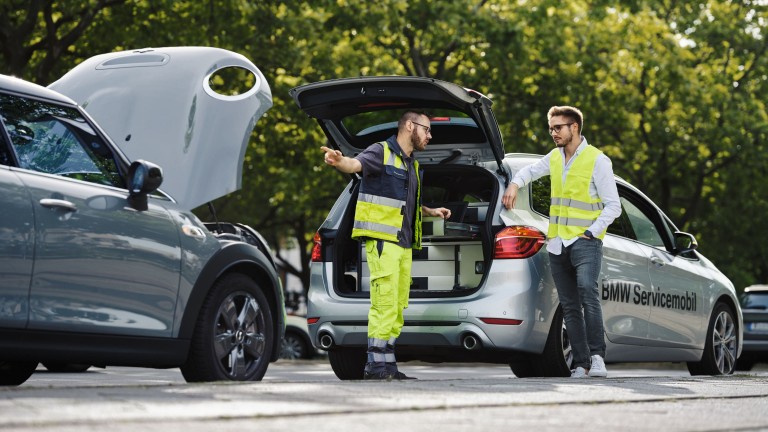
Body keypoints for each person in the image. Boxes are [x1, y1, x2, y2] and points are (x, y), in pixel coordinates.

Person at [321, 110, 451, 380]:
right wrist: (339, 161)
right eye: (426, 129)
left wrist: (430, 211)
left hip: (403, 244)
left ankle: (388, 363)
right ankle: (374, 365)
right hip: (383, 241)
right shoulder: (381, 152)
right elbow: (355, 165)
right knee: (384, 302)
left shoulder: (411, 163)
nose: (429, 135)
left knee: (398, 304)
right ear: (408, 125)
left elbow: (405, 202)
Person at [501, 106, 621, 378]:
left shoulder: (597, 160)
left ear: (574, 127)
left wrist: (592, 232)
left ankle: (598, 357)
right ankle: (581, 363)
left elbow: (614, 206)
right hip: (557, 244)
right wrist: (514, 185)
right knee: (569, 305)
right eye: (551, 128)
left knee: (587, 293)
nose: (553, 133)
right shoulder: (555, 158)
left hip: (586, 242)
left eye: (558, 127)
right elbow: (529, 172)